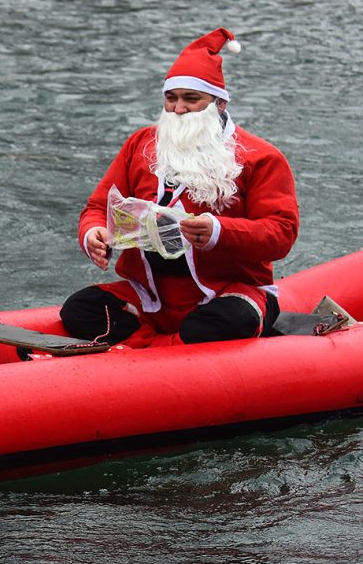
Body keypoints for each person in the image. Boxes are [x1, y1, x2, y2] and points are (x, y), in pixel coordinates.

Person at [61, 28, 299, 346]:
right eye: (171, 99)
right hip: (152, 294)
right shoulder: (140, 144)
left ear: (219, 104)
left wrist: (218, 232)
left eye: (191, 99)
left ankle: (154, 351)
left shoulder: (263, 157)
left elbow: (281, 233)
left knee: (230, 320)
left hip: (227, 289)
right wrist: (93, 235)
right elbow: (97, 208)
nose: (178, 109)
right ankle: (170, 350)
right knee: (78, 310)